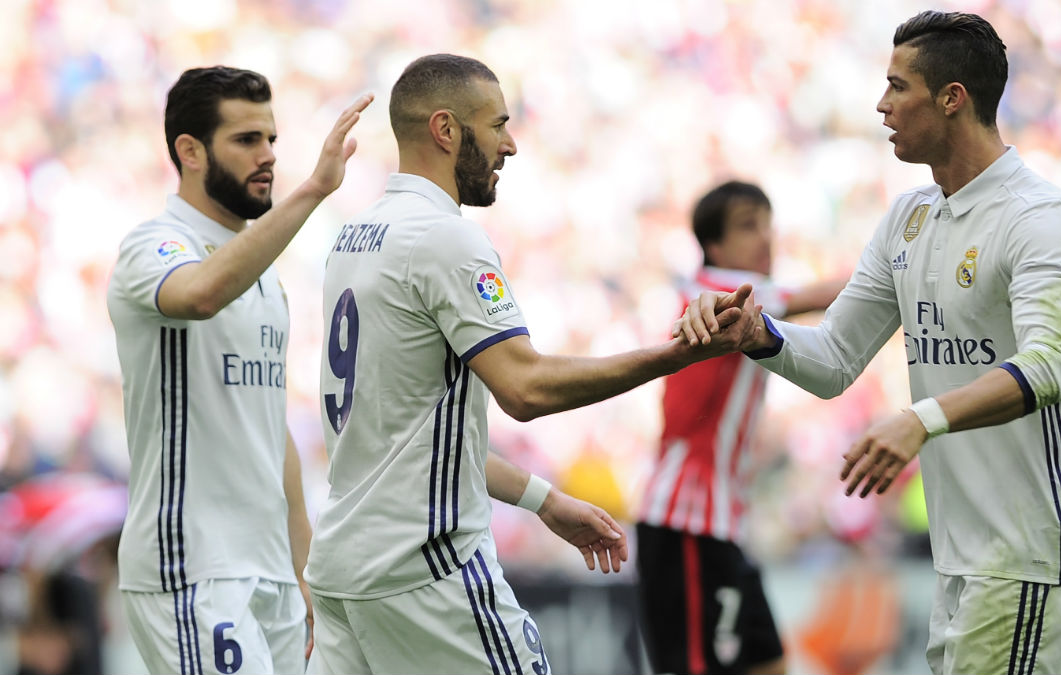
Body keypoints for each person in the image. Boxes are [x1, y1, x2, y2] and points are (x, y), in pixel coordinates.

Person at [678, 11, 1061, 675]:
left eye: (897, 87)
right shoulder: (908, 218)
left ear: (952, 99)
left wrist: (921, 419)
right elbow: (833, 360)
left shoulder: (1041, 218)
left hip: (1037, 554)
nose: (881, 105)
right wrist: (759, 333)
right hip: (964, 555)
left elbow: (1051, 365)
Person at [302, 53, 758, 675]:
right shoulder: (444, 238)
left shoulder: (353, 239)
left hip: (343, 574)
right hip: (424, 570)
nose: (510, 145)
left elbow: (410, 440)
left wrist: (545, 500)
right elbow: (526, 388)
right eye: (497, 125)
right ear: (446, 129)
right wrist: (678, 354)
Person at [106, 65, 372, 674]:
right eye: (246, 140)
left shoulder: (263, 277)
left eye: (272, 139)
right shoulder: (156, 245)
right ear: (190, 151)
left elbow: (267, 427)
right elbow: (199, 295)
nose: (268, 156)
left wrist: (303, 564)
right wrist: (313, 191)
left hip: (270, 571)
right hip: (192, 569)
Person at [637, 180, 844, 675]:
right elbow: (828, 293)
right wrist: (910, 268)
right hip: (684, 521)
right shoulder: (715, 296)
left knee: (767, 661)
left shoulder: (729, 298)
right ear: (714, 246)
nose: (766, 238)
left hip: (722, 523)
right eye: (749, 226)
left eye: (768, 224)